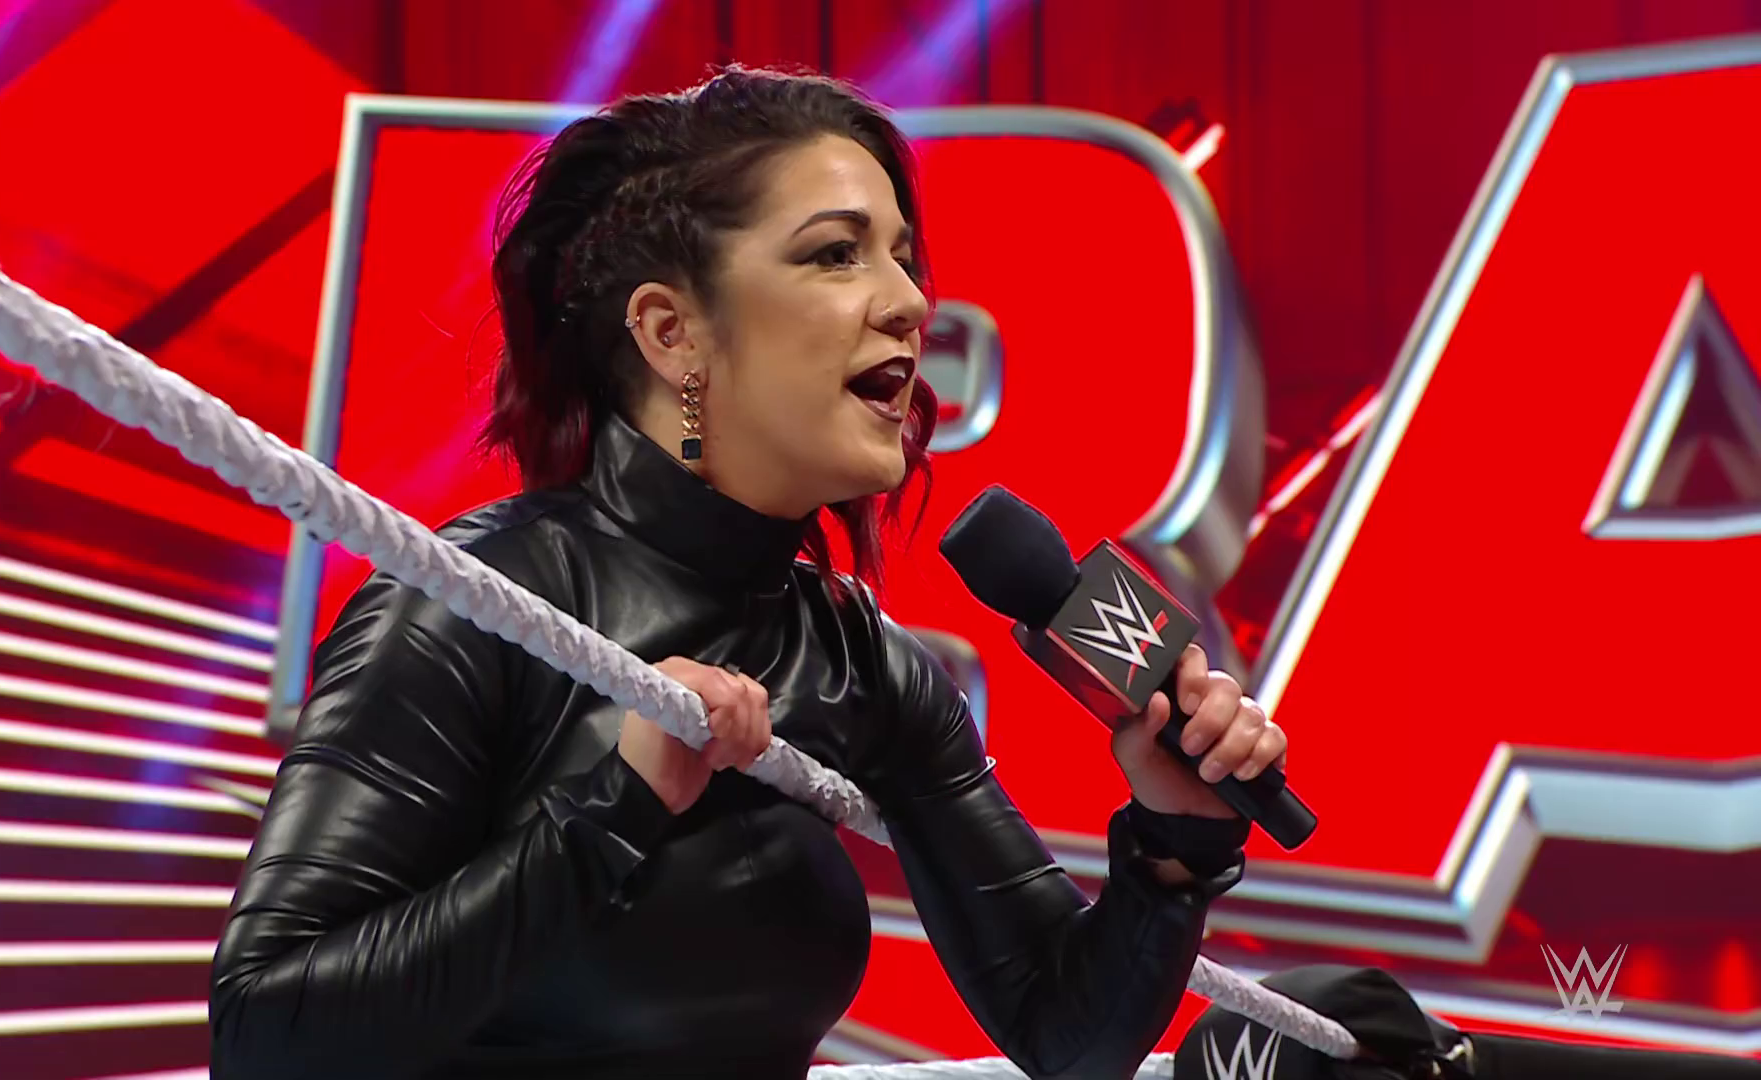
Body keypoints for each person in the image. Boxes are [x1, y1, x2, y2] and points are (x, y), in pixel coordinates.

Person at [208, 66, 1290, 1080]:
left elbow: (1065, 1033)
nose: (910, 301)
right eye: (836, 254)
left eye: (903, 256)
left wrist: (1176, 838)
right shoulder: (476, 604)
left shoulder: (858, 658)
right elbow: (264, 1033)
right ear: (672, 332)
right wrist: (614, 808)